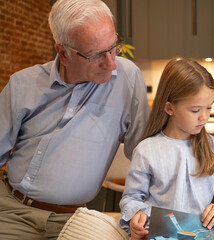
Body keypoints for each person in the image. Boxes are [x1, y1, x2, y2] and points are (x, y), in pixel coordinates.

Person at [0, 0, 149, 239]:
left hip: (74, 220)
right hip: (10, 209)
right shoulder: (22, 84)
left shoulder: (127, 78)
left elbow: (146, 155)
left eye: (113, 47)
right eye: (96, 55)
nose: (111, 63)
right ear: (63, 53)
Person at [119, 58, 214, 239]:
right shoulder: (146, 150)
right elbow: (131, 198)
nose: (204, 117)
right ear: (169, 107)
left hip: (202, 234)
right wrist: (136, 216)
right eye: (195, 110)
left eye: (209, 108)